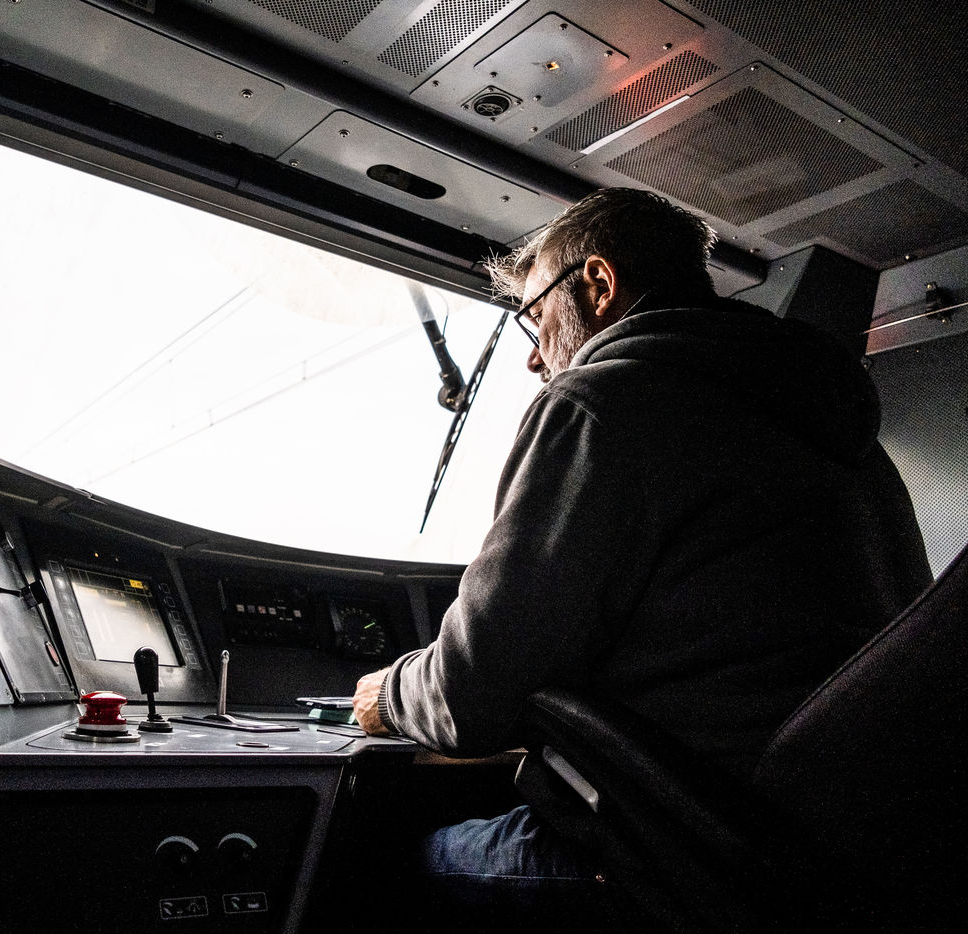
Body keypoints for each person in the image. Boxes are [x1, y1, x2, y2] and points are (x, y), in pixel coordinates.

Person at [351, 187, 930, 928]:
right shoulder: (849, 438)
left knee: (392, 856)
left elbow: (472, 696)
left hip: (685, 850)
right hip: (842, 853)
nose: (532, 355)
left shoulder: (603, 402)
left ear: (598, 284)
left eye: (534, 316)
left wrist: (388, 694)